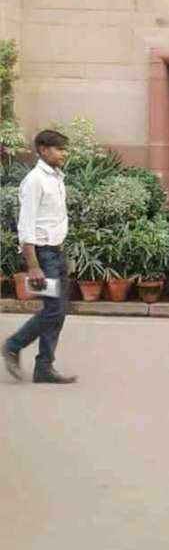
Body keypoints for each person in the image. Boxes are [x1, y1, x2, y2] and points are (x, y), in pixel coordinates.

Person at [2, 129, 77, 384]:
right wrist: (33, 266)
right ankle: (13, 345)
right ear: (43, 150)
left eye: (64, 149)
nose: (63, 154)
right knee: (53, 311)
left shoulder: (56, 178)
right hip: (43, 255)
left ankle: (44, 367)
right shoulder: (35, 181)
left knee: (58, 311)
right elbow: (26, 226)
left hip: (55, 252)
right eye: (59, 149)